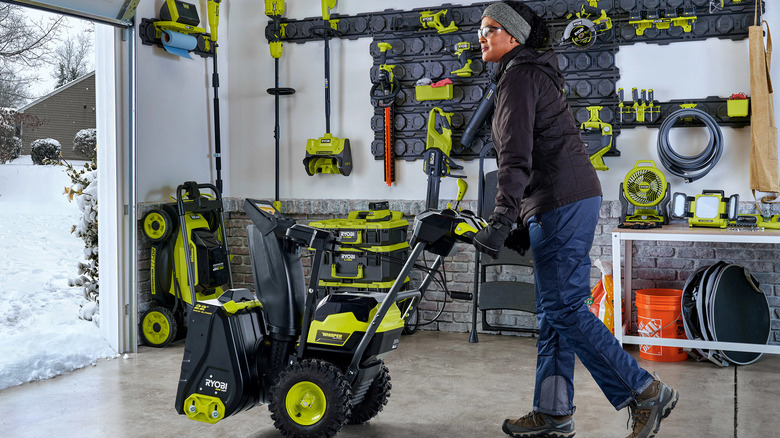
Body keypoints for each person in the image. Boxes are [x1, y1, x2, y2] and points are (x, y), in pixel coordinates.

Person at [471, 2, 679, 438]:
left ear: (514, 36)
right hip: (561, 201)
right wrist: (525, 220)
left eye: (490, 29)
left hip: (561, 201)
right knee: (553, 313)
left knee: (564, 309)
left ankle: (644, 390)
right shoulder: (524, 75)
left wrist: (502, 218)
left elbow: (515, 159)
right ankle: (553, 412)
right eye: (480, 30)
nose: (481, 37)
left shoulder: (520, 78)